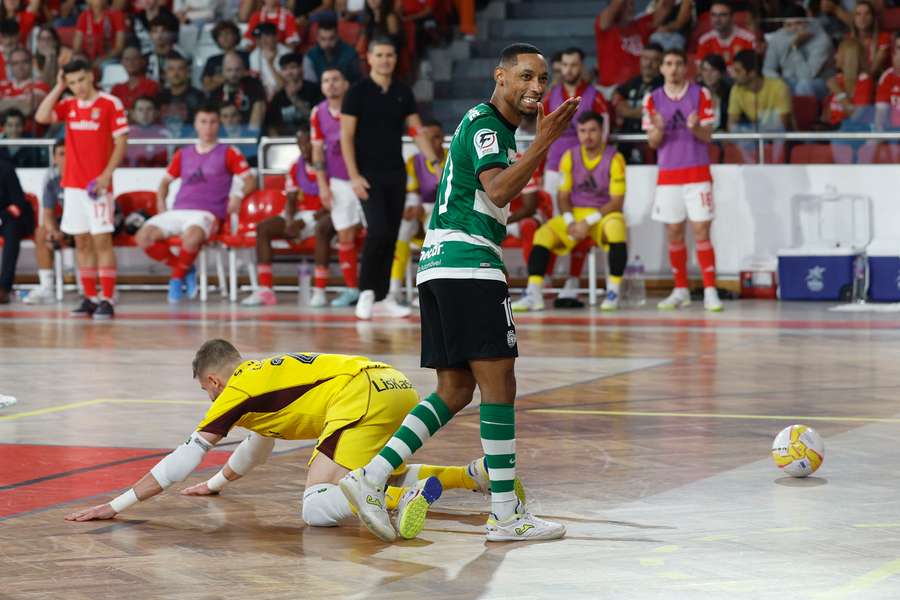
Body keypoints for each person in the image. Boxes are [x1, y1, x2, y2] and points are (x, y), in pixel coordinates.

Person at [338, 43, 579, 543]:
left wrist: (533, 141)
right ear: (500, 77)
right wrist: (545, 141)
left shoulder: (492, 127)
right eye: (527, 77)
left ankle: (370, 477)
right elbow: (497, 190)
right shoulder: (489, 124)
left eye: (543, 79)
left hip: (439, 264)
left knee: (454, 390)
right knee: (500, 385)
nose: (537, 87)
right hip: (468, 264)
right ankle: (506, 516)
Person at [64, 339, 499, 542]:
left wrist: (116, 505)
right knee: (367, 470)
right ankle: (470, 476)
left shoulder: (233, 391)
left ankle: (399, 501)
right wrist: (215, 485)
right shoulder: (265, 373)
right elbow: (258, 444)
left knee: (316, 505)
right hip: (392, 383)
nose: (211, 399)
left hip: (359, 395)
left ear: (213, 379)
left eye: (206, 391)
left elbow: (183, 457)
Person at [340, 37, 439, 320]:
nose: (385, 60)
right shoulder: (356, 93)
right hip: (367, 176)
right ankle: (366, 292)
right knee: (378, 231)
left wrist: (433, 161)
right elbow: (346, 137)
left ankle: (382, 296)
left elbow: (416, 131)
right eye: (380, 55)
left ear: (395, 59)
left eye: (390, 55)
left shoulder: (402, 92)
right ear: (369, 58)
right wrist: (354, 176)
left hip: (395, 174)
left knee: (392, 235)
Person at [35, 59, 128, 320]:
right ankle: (89, 297)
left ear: (92, 76)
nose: (78, 87)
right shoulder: (70, 105)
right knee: (82, 242)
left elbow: (121, 142)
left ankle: (107, 298)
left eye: (81, 80)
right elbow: (41, 116)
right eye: (72, 83)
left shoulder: (110, 104)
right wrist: (57, 87)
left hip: (97, 187)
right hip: (73, 186)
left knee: (102, 241)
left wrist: (106, 175)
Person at [136, 102, 256, 303]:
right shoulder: (183, 153)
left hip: (207, 213)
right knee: (143, 237)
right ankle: (183, 266)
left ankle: (176, 279)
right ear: (196, 125)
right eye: (203, 122)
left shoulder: (229, 152)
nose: (208, 127)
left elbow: (250, 180)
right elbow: (165, 181)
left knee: (192, 238)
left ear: (219, 125)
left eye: (212, 122)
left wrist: (239, 195)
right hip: (179, 210)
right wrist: (160, 201)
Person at [513, 111, 627, 312]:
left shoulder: (615, 158)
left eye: (593, 130)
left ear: (602, 132)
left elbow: (617, 202)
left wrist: (588, 221)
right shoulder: (569, 157)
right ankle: (534, 293)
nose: (587, 135)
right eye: (583, 131)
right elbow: (563, 197)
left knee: (617, 227)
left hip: (602, 216)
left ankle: (613, 292)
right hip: (575, 215)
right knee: (543, 234)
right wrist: (569, 220)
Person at [644, 48, 721, 312]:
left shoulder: (701, 94)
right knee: (674, 233)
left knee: (702, 232)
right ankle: (680, 289)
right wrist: (659, 129)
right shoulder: (652, 100)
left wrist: (695, 127)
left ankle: (711, 290)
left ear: (686, 67)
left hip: (697, 173)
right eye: (668, 63)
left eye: (678, 63)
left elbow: (708, 136)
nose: (673, 68)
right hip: (668, 176)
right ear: (661, 68)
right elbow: (653, 142)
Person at [240, 126, 332, 307]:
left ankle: (320, 291)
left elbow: (335, 201)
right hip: (299, 215)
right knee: (263, 228)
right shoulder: (295, 168)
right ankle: (265, 290)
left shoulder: (331, 166)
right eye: (300, 145)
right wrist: (290, 221)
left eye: (308, 144)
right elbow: (290, 199)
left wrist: (305, 222)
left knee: (322, 228)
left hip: (323, 215)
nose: (304, 149)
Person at [310, 66, 362, 308]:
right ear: (321, 86)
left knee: (377, 234)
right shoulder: (317, 112)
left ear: (345, 84)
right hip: (339, 182)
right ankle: (353, 288)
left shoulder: (358, 106)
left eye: (335, 79)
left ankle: (382, 290)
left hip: (363, 177)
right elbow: (317, 150)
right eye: (326, 80)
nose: (331, 84)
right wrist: (322, 185)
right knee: (345, 236)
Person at [542, 47, 611, 210]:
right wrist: (539, 167)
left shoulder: (596, 96)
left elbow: (605, 134)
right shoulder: (551, 96)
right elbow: (542, 133)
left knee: (583, 213)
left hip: (585, 166)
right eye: (565, 65)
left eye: (573, 65)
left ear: (581, 67)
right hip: (554, 164)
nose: (569, 69)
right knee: (552, 213)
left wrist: (597, 164)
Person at [388, 117, 446, 303]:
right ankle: (394, 289)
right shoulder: (414, 161)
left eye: (436, 137)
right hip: (424, 207)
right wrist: (412, 207)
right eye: (426, 138)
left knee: (433, 226)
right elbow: (413, 193)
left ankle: (431, 289)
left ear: (443, 138)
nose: (430, 142)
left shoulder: (453, 158)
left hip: (446, 210)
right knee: (403, 226)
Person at [22, 142, 66, 305]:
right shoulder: (51, 177)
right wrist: (53, 231)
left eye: (69, 154)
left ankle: (95, 287)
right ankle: (47, 287)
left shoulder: (82, 172)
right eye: (61, 154)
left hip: (84, 221)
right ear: (54, 158)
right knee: (42, 232)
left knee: (90, 235)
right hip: (66, 221)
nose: (66, 158)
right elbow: (48, 212)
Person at [594, 0, 670, 89]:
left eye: (631, 4)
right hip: (609, 89)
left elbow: (666, 7)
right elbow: (615, 6)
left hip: (636, 89)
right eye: (625, 5)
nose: (630, 8)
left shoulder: (641, 25)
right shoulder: (605, 26)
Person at [763, 5, 833, 99]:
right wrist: (779, 82)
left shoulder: (821, 40)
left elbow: (807, 76)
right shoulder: (778, 36)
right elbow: (767, 68)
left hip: (818, 83)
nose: (794, 28)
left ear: (806, 22)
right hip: (788, 81)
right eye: (789, 25)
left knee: (803, 86)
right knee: (771, 85)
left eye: (798, 23)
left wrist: (795, 47)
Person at [612, 42, 664, 164]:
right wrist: (639, 111)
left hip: (651, 146)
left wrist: (628, 111)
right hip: (626, 143)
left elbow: (652, 112)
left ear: (661, 63)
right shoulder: (631, 82)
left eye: (654, 60)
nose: (648, 64)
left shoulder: (664, 86)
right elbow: (617, 105)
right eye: (645, 58)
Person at [729, 49, 793, 132]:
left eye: (737, 71)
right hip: (754, 137)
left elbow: (782, 124)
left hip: (779, 138)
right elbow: (732, 125)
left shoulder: (779, 87)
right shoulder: (736, 89)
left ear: (752, 73)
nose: (733, 75)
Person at [0, 152, 33, 304]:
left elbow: (18, 202)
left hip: (10, 217)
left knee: (12, 232)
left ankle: (4, 287)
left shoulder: (6, 169)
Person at [265, 52, 322, 136]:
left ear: (301, 68)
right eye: (284, 69)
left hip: (312, 138)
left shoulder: (315, 90)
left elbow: (318, 120)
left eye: (293, 67)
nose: (289, 72)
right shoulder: (278, 97)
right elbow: (271, 126)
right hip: (286, 142)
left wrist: (294, 98)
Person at [210, 51, 267, 132]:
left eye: (237, 70)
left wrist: (248, 138)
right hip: (224, 137)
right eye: (229, 70)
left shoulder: (254, 85)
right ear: (223, 72)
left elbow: (258, 113)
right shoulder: (216, 92)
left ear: (244, 70)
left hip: (249, 137)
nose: (233, 74)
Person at [157, 54, 206, 137]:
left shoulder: (198, 97)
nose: (176, 73)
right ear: (165, 74)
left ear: (188, 72)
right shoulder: (159, 97)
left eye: (180, 69)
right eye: (171, 69)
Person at [695, 1, 756, 67]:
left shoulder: (748, 39)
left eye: (722, 15)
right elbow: (699, 68)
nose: (717, 19)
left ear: (732, 17)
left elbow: (752, 70)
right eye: (713, 15)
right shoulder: (704, 40)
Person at [303, 18, 362, 85]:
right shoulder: (310, 56)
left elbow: (357, 82)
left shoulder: (351, 54)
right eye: (323, 39)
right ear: (318, 38)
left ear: (337, 37)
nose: (327, 44)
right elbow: (310, 85)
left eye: (331, 38)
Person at [0, 47, 49, 128]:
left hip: (28, 137)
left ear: (31, 63)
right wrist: (20, 102)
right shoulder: (2, 85)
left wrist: (4, 102)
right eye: (15, 63)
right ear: (9, 66)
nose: (20, 67)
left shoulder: (41, 85)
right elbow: (24, 107)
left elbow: (28, 108)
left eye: (24, 62)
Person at [72, 0, 127, 68]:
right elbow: (77, 47)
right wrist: (84, 59)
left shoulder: (116, 14)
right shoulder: (83, 16)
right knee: (77, 62)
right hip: (88, 58)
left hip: (110, 58)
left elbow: (119, 47)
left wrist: (102, 59)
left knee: (105, 65)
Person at [201, 20, 250, 94]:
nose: (224, 37)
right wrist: (233, 76)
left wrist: (220, 78)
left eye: (228, 33)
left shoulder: (246, 56)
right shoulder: (212, 60)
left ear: (235, 36)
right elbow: (207, 87)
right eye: (220, 35)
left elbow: (251, 77)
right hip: (217, 100)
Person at [124, 95, 170, 167]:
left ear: (156, 112)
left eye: (149, 109)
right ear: (133, 113)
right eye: (140, 109)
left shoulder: (165, 133)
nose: (145, 113)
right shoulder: (124, 133)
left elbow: (169, 162)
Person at [111, 46, 161, 111]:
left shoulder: (151, 85)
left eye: (135, 58)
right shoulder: (117, 89)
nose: (131, 62)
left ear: (142, 61)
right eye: (127, 59)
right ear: (122, 62)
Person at [849, 0, 891, 77]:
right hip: (855, 81)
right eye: (858, 14)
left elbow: (873, 71)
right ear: (853, 19)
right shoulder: (848, 38)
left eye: (867, 14)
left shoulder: (884, 37)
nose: (862, 18)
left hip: (877, 81)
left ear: (873, 18)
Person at [248, 22, 289, 99]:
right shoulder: (254, 55)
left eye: (266, 36)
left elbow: (283, 85)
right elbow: (256, 81)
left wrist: (270, 64)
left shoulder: (286, 53)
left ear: (276, 36)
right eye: (258, 37)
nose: (262, 41)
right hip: (264, 94)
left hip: (284, 94)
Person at [144, 14, 183, 83]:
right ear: (150, 34)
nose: (159, 35)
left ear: (170, 34)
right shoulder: (145, 58)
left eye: (163, 31)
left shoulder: (180, 56)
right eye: (155, 31)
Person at [699, 53, 731, 131]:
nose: (708, 74)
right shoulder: (694, 92)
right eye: (705, 70)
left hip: (722, 136)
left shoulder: (729, 93)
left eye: (713, 70)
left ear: (721, 72)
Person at [874, 35, 900, 132]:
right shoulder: (887, 76)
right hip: (894, 133)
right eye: (899, 48)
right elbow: (880, 115)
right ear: (893, 53)